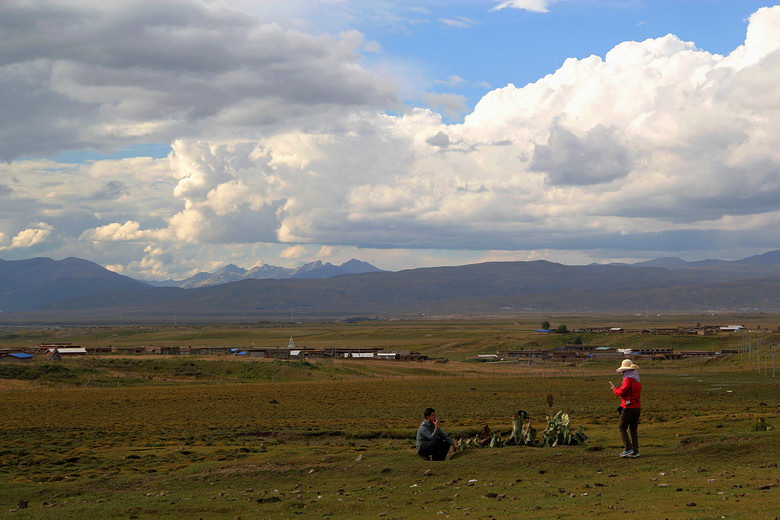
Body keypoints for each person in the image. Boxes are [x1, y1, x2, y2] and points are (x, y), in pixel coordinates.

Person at [610, 359, 642, 458]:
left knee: (622, 427)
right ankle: (635, 451)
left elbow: (622, 392)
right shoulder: (637, 380)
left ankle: (628, 449)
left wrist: (615, 390)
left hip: (628, 407)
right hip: (637, 406)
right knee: (633, 429)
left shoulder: (628, 379)